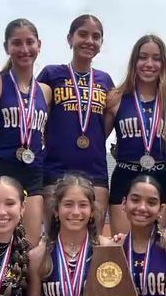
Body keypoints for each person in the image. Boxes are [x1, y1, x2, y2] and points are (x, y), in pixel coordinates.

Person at [36, 14, 115, 222]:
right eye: (83, 34)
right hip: (56, 168)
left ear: (100, 43)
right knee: (54, 237)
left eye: (96, 37)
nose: (89, 41)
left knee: (95, 238)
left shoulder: (105, 80)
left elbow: (105, 124)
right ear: (70, 38)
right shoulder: (51, 74)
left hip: (95, 170)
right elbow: (32, 111)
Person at [0, 19, 52, 248]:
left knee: (31, 246)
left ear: (39, 45)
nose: (24, 49)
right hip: (1, 168)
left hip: (33, 172)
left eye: (29, 42)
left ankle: (28, 285)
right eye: (17, 43)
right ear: (6, 47)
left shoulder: (45, 91)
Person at [104, 35, 166, 236]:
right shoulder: (116, 98)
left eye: (156, 58)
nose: (149, 64)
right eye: (143, 57)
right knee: (124, 246)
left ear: (164, 64)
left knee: (161, 247)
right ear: (134, 61)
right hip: (125, 177)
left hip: (162, 177)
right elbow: (96, 140)